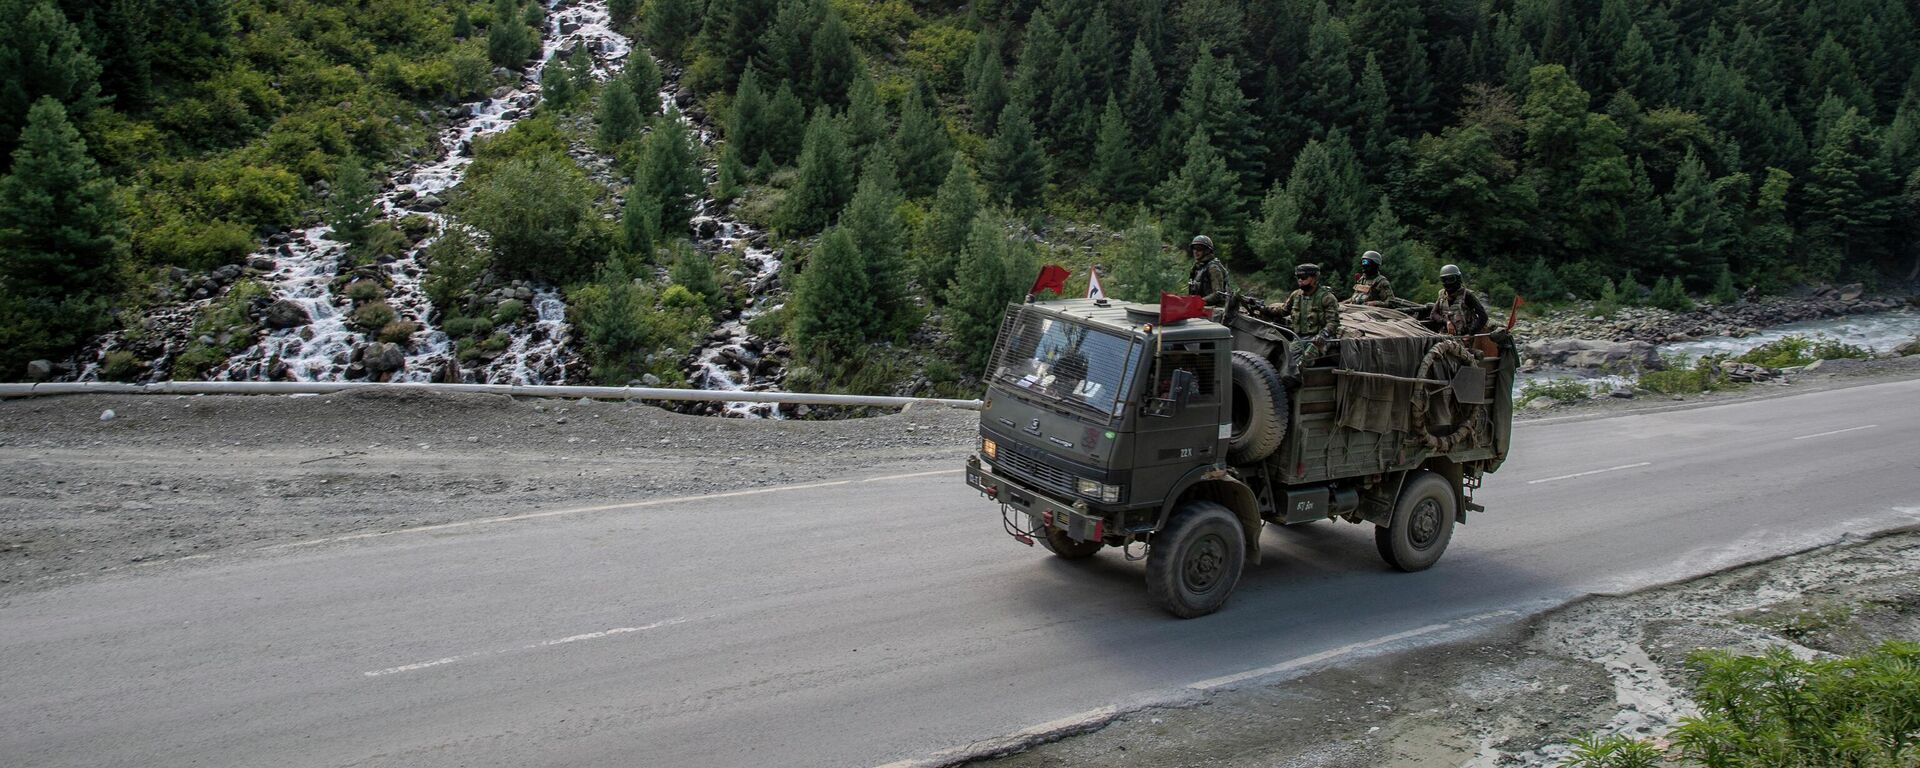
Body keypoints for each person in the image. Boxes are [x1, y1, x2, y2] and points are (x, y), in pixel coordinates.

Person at [1266, 263, 1341, 384]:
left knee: (1304, 362)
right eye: (1298, 277)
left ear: (1314, 278)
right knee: (1287, 364)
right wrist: (1265, 309)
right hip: (1299, 338)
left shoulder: (1327, 297)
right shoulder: (1296, 295)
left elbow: (1333, 322)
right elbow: (1284, 310)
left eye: (1304, 277)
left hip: (1319, 340)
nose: (1300, 280)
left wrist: (1323, 335)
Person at [1432, 264, 1489, 335]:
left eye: (1451, 279)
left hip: (1464, 336)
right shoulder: (1442, 295)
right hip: (1445, 335)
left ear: (1457, 278)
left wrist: (1470, 334)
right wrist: (1447, 322)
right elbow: (1433, 314)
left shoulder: (1467, 295)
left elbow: (1483, 316)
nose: (1447, 282)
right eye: (1444, 280)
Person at [1186, 235, 1230, 307]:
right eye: (1194, 248)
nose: (1196, 251)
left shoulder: (1213, 268)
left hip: (1216, 310)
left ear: (1207, 251)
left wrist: (1199, 302)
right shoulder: (1197, 268)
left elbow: (1218, 294)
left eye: (1199, 248)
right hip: (1202, 308)